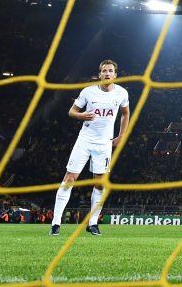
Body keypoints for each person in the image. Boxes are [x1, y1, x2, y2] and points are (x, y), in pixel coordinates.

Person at [50, 59, 130, 237]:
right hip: (85, 141)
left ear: (115, 75)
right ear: (99, 74)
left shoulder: (121, 93)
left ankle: (93, 223)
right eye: (104, 71)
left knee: (100, 185)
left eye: (110, 70)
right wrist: (81, 115)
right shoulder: (88, 92)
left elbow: (126, 113)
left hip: (104, 144)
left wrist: (121, 135)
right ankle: (56, 223)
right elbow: (71, 112)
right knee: (70, 178)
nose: (107, 73)